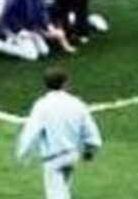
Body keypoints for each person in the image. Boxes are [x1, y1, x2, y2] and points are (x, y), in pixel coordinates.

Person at [17, 68, 103, 199]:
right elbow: (90, 129)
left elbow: (31, 132)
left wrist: (23, 153)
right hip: (72, 156)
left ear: (46, 85)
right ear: (65, 83)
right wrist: (91, 149)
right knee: (63, 191)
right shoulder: (77, 103)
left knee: (55, 195)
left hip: (53, 159)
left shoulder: (42, 105)